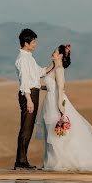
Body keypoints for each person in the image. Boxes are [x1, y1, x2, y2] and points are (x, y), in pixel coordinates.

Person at [14, 28, 54, 170]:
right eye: (33, 41)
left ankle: (22, 161)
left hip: (32, 93)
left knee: (28, 128)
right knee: (26, 128)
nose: (35, 44)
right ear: (26, 43)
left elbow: (39, 73)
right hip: (28, 95)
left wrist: (54, 64)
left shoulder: (29, 57)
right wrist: (29, 99)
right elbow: (24, 81)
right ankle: (21, 162)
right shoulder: (22, 59)